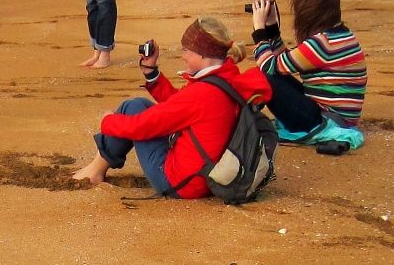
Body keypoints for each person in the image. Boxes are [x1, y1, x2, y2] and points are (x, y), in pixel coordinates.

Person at [73, 16, 272, 198]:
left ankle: (95, 171)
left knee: (131, 108)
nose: (182, 56)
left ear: (203, 55)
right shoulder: (228, 77)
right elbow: (179, 105)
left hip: (182, 183)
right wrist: (152, 73)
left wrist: (108, 121)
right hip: (208, 173)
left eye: (186, 50)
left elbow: (143, 126)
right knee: (139, 105)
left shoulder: (202, 93)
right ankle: (96, 168)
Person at [249, 0, 367, 151]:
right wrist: (272, 28)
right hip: (337, 117)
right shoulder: (339, 36)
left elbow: (268, 66)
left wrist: (259, 31)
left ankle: (242, 121)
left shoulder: (322, 43)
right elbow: (287, 62)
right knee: (273, 75)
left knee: (264, 77)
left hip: (325, 119)